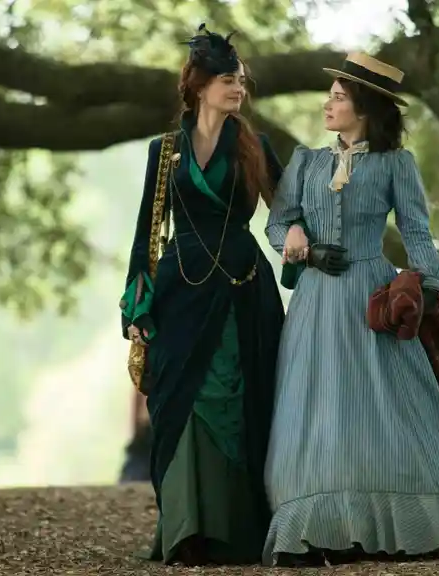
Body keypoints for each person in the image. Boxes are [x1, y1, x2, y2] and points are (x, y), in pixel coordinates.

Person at [262, 52, 439, 567]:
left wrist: (429, 286)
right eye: (330, 96)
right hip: (315, 302)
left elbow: (416, 231)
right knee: (318, 405)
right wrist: (301, 240)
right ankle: (316, 526)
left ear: (364, 108)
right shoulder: (306, 162)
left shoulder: (396, 164)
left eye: (339, 98)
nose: (328, 104)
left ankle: (399, 521)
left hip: (370, 295)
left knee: (383, 407)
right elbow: (277, 224)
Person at [119, 24, 285, 566]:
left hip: (243, 289)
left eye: (241, 80)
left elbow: (289, 214)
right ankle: (186, 530)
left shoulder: (256, 146)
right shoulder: (164, 150)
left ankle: (237, 533)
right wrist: (138, 305)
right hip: (180, 291)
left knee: (241, 402)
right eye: (227, 79)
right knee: (180, 403)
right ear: (199, 86)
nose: (238, 88)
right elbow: (147, 231)